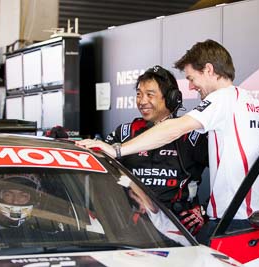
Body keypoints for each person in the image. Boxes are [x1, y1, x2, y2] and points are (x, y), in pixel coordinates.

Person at [77, 40, 259, 244]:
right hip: (256, 217)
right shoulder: (250, 102)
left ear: (209, 70)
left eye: (192, 78)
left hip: (231, 220)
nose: (191, 87)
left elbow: (176, 128)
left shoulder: (222, 99)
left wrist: (118, 150)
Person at [79, 65, 209, 235]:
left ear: (171, 98)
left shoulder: (191, 136)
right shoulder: (125, 133)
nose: (142, 101)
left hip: (179, 233)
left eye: (150, 94)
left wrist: (205, 211)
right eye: (139, 94)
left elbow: (228, 175)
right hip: (132, 232)